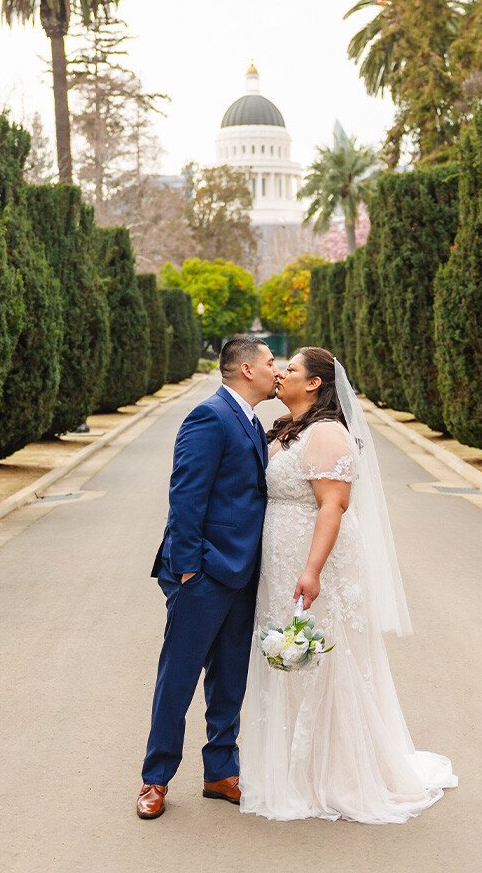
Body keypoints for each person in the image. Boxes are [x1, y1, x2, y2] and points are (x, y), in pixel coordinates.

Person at [239, 347, 457, 823]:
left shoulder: (327, 434)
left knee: (326, 657)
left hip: (316, 560)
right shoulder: (288, 431)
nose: (280, 374)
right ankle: (297, 766)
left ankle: (338, 774)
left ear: (315, 383)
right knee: (291, 657)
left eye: (291, 369)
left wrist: (313, 569)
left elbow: (332, 505)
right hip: (280, 558)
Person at [137, 336, 281, 820]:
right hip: (203, 575)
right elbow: (186, 496)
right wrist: (187, 569)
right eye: (269, 362)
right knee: (177, 678)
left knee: (229, 680)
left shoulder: (252, 421)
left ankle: (221, 772)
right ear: (245, 369)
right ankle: (155, 779)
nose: (275, 370)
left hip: (243, 575)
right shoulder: (209, 416)